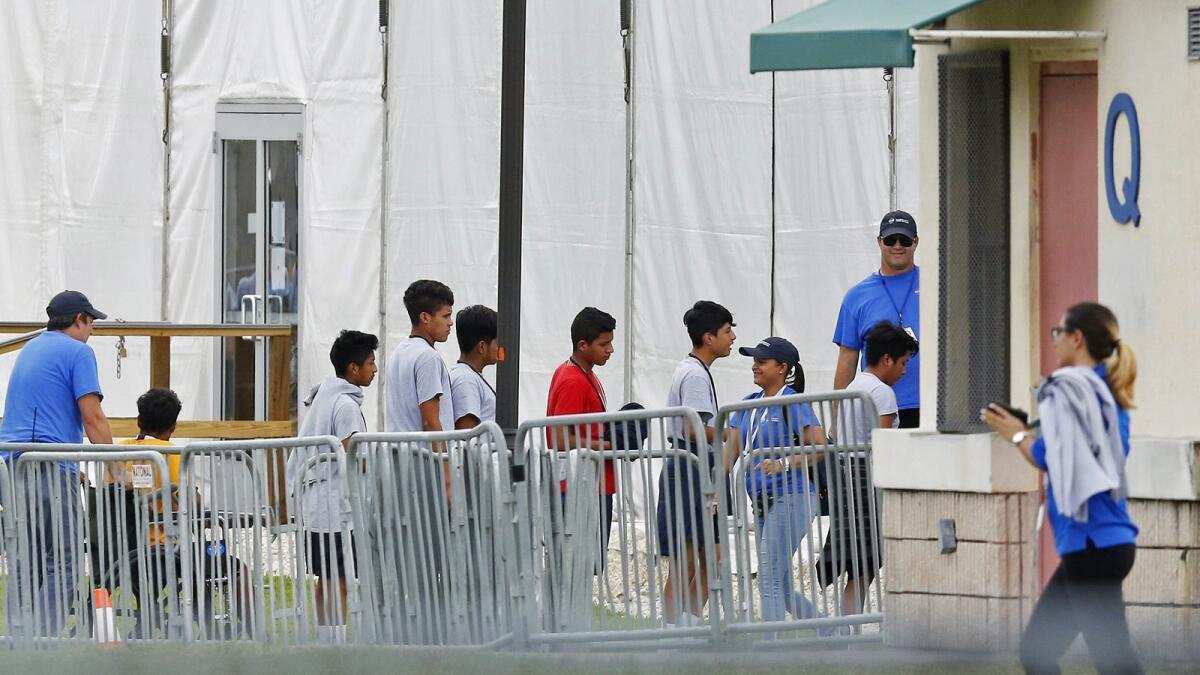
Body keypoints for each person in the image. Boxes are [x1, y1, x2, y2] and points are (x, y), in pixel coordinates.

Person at [982, 302, 1142, 675]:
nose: (1053, 341)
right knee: (1039, 651)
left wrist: (1017, 434)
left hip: (1092, 546)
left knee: (1112, 663)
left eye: (1058, 333)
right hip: (1105, 544)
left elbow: (1049, 457)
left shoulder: (1072, 390)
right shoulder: (1106, 394)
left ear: (1077, 338)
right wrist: (1033, 430)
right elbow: (1078, 453)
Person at [0, 290, 112, 637]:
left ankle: (18, 641)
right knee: (63, 562)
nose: (92, 330)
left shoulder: (31, 348)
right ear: (79, 319)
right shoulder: (79, 351)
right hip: (47, 466)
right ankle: (44, 643)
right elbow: (93, 418)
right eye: (91, 322)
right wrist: (117, 467)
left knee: (25, 562)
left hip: (13, 468)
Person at [728, 337, 829, 631]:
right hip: (762, 501)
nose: (754, 366)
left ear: (783, 368)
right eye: (754, 360)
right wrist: (710, 487)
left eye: (762, 361)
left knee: (769, 576)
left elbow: (820, 448)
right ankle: (831, 630)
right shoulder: (747, 404)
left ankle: (769, 652)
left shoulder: (793, 402)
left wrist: (784, 462)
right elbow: (728, 455)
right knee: (780, 585)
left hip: (794, 496)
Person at [285, 330, 377, 644]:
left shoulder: (323, 396)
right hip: (334, 508)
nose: (374, 369)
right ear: (353, 368)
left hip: (315, 506)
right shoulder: (346, 404)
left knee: (325, 578)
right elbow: (354, 454)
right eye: (370, 363)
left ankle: (327, 641)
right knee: (339, 578)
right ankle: (336, 646)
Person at [823, 321, 917, 616]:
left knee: (859, 566)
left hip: (847, 475)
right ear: (887, 359)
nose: (904, 370)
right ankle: (850, 628)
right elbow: (884, 442)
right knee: (866, 563)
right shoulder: (883, 393)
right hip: (869, 479)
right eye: (902, 363)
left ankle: (846, 626)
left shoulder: (854, 386)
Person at [382, 280, 455, 642]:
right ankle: (432, 635)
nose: (449, 323)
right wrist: (446, 475)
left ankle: (414, 633)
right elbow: (431, 420)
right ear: (424, 317)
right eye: (445, 316)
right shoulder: (427, 357)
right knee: (434, 559)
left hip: (401, 470)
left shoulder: (398, 353)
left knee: (413, 559)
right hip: (424, 470)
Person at [656, 301, 735, 627]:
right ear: (708, 337)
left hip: (699, 468)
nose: (732, 337)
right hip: (689, 469)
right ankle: (671, 634)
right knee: (686, 561)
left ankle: (685, 626)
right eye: (727, 331)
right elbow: (692, 427)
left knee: (712, 559)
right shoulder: (693, 374)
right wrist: (729, 431)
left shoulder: (696, 371)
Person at [833, 210, 921, 428]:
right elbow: (847, 361)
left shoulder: (937, 283)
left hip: (932, 407)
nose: (898, 245)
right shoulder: (856, 297)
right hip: (879, 408)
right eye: (891, 239)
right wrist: (838, 421)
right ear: (879, 242)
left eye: (905, 240)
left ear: (916, 242)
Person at [545, 307, 616, 570]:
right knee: (575, 568)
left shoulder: (585, 374)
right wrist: (609, 445)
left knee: (583, 568)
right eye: (604, 344)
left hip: (591, 484)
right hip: (581, 487)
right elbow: (561, 439)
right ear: (582, 345)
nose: (610, 350)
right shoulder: (573, 379)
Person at [450, 305, 499, 429]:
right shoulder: (466, 380)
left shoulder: (469, 376)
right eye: (498, 343)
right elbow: (467, 436)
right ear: (482, 347)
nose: (500, 349)